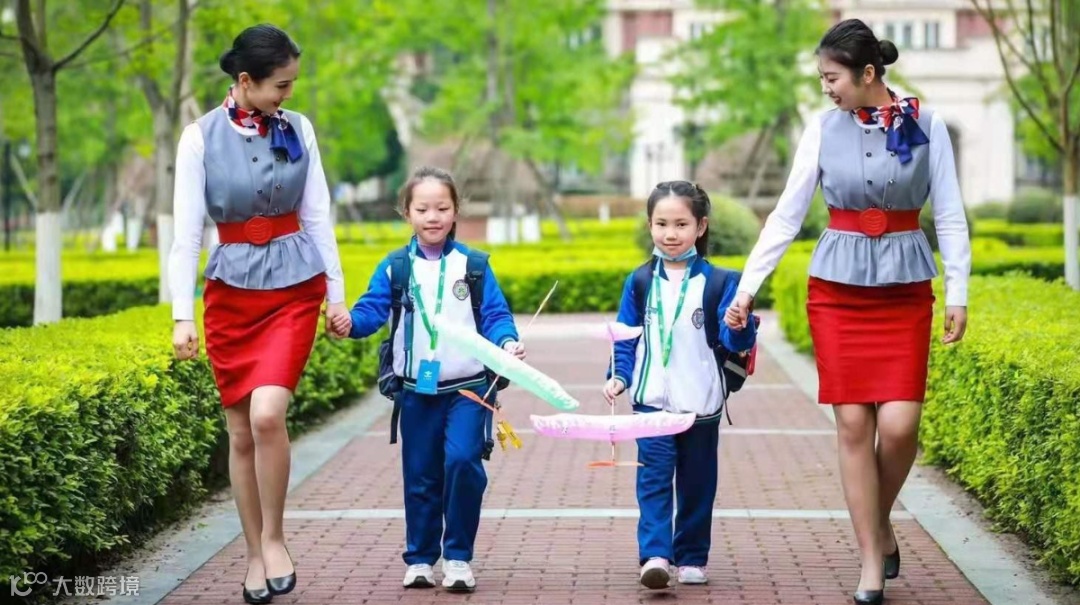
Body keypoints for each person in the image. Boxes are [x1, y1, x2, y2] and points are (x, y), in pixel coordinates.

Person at [725, 19, 971, 605]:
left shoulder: (928, 125)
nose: (825, 87)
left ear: (867, 73)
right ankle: (869, 559)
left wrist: (958, 292)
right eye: (821, 78)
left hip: (905, 287)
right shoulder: (820, 128)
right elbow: (786, 215)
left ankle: (878, 521)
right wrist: (747, 288)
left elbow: (950, 213)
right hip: (838, 290)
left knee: (901, 426)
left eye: (832, 77)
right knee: (855, 426)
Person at [168, 24, 351, 605]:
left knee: (269, 414)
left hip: (294, 287)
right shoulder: (198, 138)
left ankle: (275, 537)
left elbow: (317, 214)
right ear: (245, 81)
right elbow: (185, 235)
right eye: (281, 85)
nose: (288, 95)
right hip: (231, 294)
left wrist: (337, 295)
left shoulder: (300, 128)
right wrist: (181, 315)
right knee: (240, 432)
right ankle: (252, 552)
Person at [346, 166, 524, 593]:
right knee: (421, 475)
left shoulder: (473, 266)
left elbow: (495, 315)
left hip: (469, 390)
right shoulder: (395, 267)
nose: (433, 217)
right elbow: (370, 311)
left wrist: (507, 341)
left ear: (455, 210)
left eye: (442, 208)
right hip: (416, 392)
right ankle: (421, 558)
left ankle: (458, 557)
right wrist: (348, 323)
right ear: (406, 212)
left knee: (463, 462)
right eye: (423, 208)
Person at [602, 181, 757, 590]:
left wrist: (741, 324)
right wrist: (619, 376)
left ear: (701, 226)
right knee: (653, 480)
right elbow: (625, 338)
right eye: (661, 224)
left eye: (681, 224)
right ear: (649, 225)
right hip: (650, 403)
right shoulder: (639, 281)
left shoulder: (721, 282)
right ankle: (655, 555)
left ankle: (691, 556)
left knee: (696, 484)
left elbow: (735, 341)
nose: (670, 234)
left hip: (700, 404)